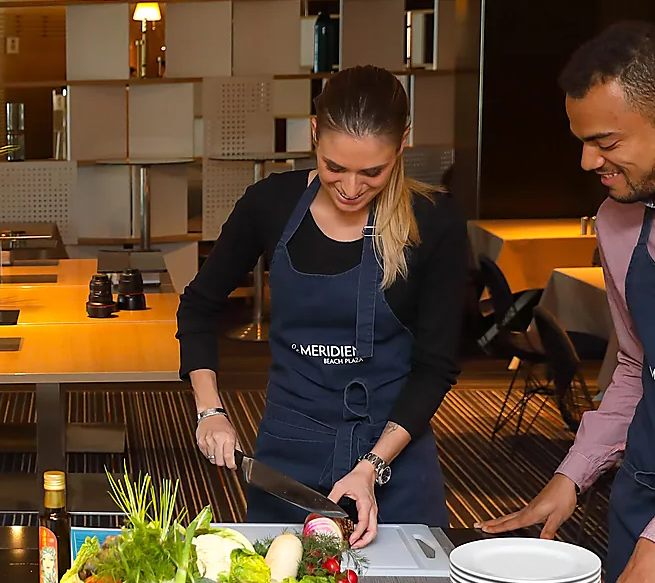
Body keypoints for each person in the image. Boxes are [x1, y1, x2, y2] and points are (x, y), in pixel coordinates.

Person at [177, 65, 468, 546]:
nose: (351, 188)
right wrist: (210, 410)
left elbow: (436, 367)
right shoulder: (269, 204)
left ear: (402, 146)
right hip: (290, 449)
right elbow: (198, 306)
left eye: (372, 171)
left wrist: (372, 466)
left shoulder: (433, 221)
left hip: (394, 451)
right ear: (314, 133)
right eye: (335, 168)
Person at [483, 21, 655, 583]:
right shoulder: (617, 223)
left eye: (606, 142)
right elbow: (638, 368)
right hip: (642, 488)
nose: (587, 161)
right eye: (581, 141)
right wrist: (572, 477)